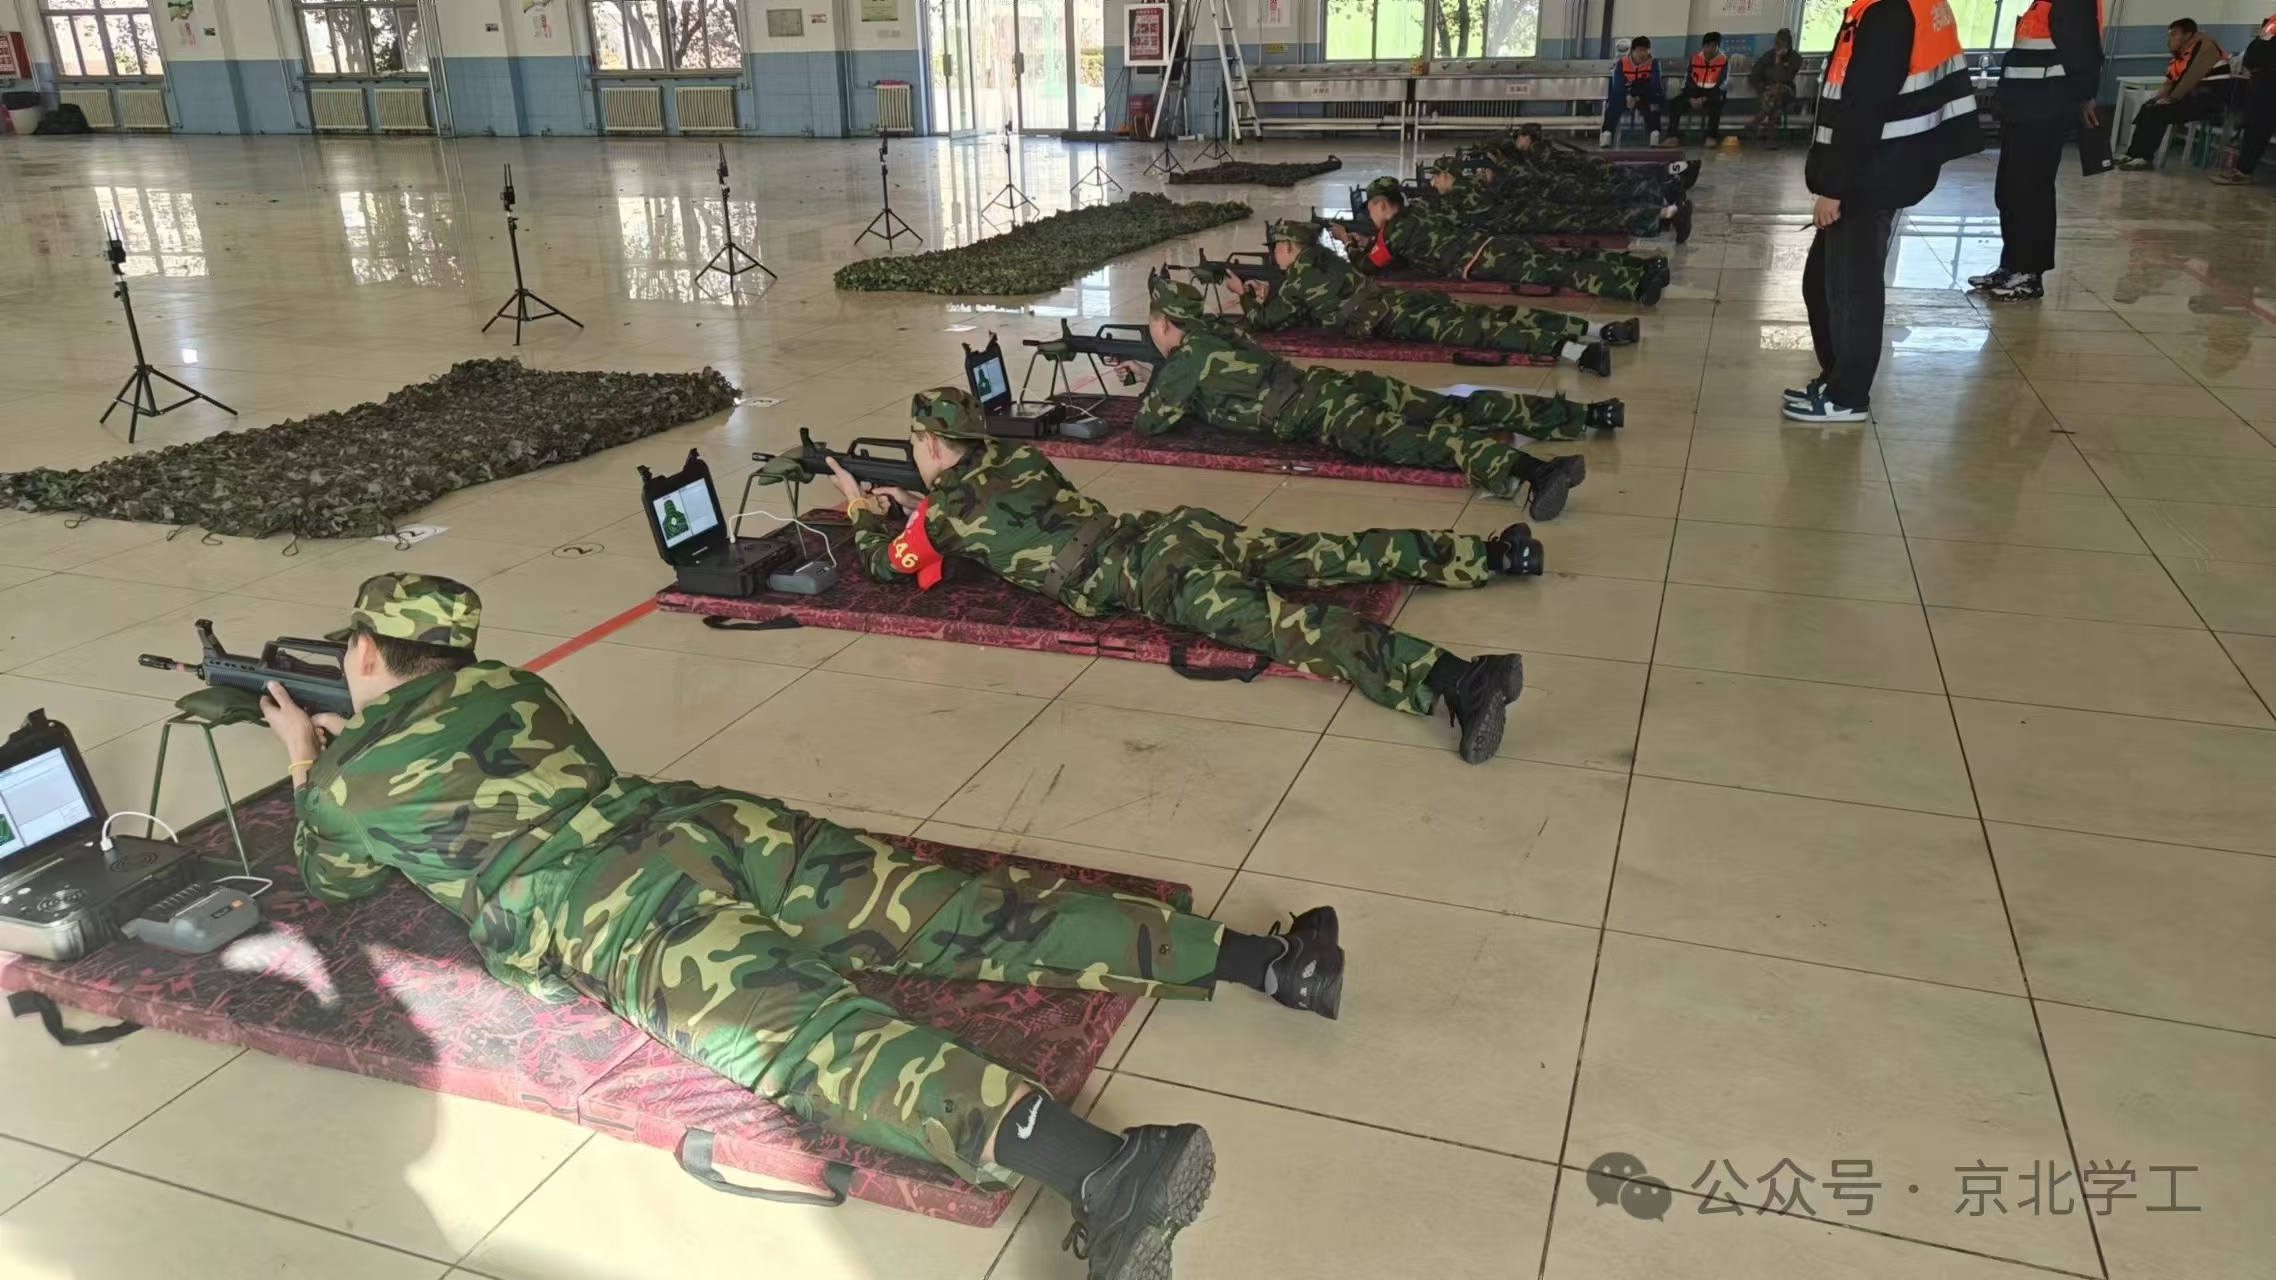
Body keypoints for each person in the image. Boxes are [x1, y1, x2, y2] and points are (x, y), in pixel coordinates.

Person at [260, 573, 1352, 1280]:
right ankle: (1271, 960)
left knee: (811, 1042)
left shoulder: (351, 780)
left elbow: (335, 877)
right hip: (704, 827)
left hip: (612, 908)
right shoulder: (512, 685)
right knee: (956, 909)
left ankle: (1108, 1170)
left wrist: (309, 760)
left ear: (365, 653)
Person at [831, 389, 1534, 764]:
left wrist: (863, 511)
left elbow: (888, 566)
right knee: (1324, 552)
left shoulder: (946, 516)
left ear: (929, 444)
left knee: (1290, 629)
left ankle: (1461, 680)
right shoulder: (1015, 459)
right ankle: (1488, 555)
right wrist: (918, 507)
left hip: (1154, 576)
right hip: (1171, 531)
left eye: (917, 446)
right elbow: (1006, 513)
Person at [1130, 275, 1607, 517]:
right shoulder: (1218, 333)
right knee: (1450, 407)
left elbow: (1148, 424)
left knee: (1422, 441)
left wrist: (1153, 376)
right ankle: (1577, 416)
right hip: (1334, 384)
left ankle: (1537, 472)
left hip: (1324, 414)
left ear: (1164, 323)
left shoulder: (1185, 361)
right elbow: (1218, 382)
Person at [1787, 0, 1984, 422]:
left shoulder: (1888, 13)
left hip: (1870, 174)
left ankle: (1847, 396)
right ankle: (1836, 378)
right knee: (1820, 283)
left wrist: (1834, 188)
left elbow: (1865, 107)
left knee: (1850, 292)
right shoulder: (1887, 9)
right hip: (1880, 166)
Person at [1226, 219, 1638, 376]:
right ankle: (1595, 329)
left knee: (1478, 331)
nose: (1274, 255)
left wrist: (1243, 296)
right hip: (1396, 299)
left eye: (1276, 249)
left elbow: (1267, 321)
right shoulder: (1325, 258)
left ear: (1288, 248)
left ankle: (1575, 352)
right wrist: (1268, 292)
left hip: (1386, 319)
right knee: (1487, 313)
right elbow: (1309, 302)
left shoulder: (1296, 279)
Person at [1333, 177, 1672, 303]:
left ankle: (1635, 285)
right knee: (1563, 258)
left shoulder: (1393, 231)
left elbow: (1369, 266)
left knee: (1560, 272)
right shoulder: (1419, 211)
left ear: (1382, 205)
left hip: (1482, 260)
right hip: (1493, 242)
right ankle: (1643, 266)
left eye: (1371, 209)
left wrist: (1348, 241)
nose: (1370, 215)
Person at [1975, 0, 2104, 299]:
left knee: (2030, 192)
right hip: (2023, 111)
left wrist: (2080, 98)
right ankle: (2012, 265)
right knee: (2010, 191)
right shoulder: (2044, 4)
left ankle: (2029, 273)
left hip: (2044, 112)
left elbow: (2084, 57)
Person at [1425, 157, 1692, 241]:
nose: (1433, 183)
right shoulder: (1471, 186)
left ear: (1447, 176)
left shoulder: (1461, 195)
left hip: (1529, 217)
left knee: (1597, 218)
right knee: (1597, 214)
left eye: (1436, 178)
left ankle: (1666, 214)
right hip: (1530, 210)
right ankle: (1665, 213)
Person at [2118, 19, 2232, 168]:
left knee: (2160, 111)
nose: (2169, 38)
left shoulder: (2205, 47)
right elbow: (2170, 81)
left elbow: (2191, 76)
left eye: (2174, 34)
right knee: (2149, 107)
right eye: (2169, 34)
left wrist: (2172, 98)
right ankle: (2133, 153)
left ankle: (2145, 158)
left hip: (2210, 100)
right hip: (2191, 97)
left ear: (2187, 35)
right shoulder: (2183, 53)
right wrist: (2157, 99)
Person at [2212, 13, 2276, 185]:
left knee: (2258, 128)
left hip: (2268, 82)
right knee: (2255, 128)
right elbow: (2254, 52)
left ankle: (2243, 171)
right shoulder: (2272, 23)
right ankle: (2243, 171)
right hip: (2263, 83)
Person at [1671, 31, 1732, 146]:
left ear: (1718, 47)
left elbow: (1723, 83)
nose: (1710, 49)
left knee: (1716, 103)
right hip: (1695, 91)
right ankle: (1672, 136)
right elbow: (1688, 80)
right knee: (1675, 103)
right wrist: (1690, 99)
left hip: (1714, 92)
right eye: (1707, 46)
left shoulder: (1723, 60)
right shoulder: (1695, 58)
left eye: (1714, 46)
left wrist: (1704, 99)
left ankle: (1711, 137)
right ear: (1703, 46)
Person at [1602, 38, 1665, 146]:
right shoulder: (1621, 64)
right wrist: (1627, 96)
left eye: (1646, 50)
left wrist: (1637, 97)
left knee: (1653, 103)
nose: (1643, 54)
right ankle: (1607, 133)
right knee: (1614, 102)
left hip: (1644, 96)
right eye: (1640, 50)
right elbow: (1618, 86)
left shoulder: (1653, 63)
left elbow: (1656, 86)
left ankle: (1654, 133)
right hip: (1625, 96)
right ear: (1632, 51)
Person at [1747, 28, 1805, 135]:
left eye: (1780, 44)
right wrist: (1763, 86)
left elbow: (1784, 78)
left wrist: (1778, 59)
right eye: (1776, 43)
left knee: (1779, 88)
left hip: (1787, 92)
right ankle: (1771, 133)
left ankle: (1759, 118)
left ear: (1788, 45)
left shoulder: (1795, 58)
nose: (1776, 47)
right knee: (1776, 100)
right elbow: (1754, 75)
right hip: (1767, 92)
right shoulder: (1767, 56)